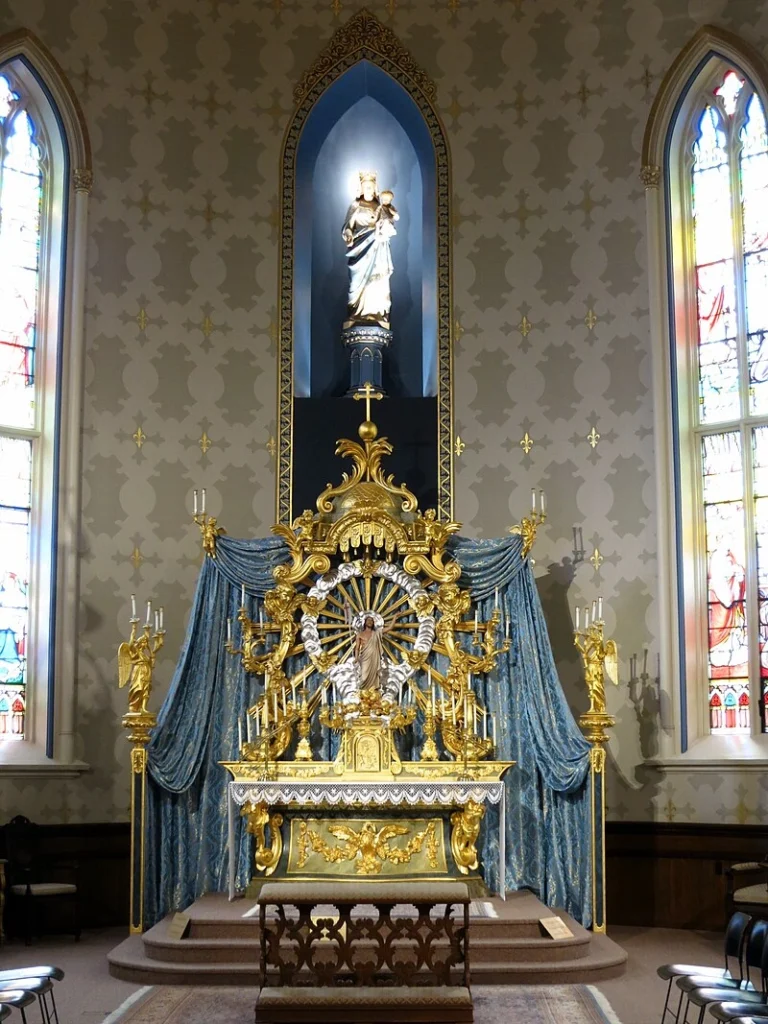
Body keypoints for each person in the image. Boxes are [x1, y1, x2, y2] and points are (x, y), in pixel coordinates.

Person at [341, 171, 399, 328]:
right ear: (361, 189)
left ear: (375, 189)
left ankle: (378, 313)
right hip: (360, 249)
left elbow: (390, 220)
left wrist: (385, 227)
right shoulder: (355, 206)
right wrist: (348, 234)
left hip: (378, 248)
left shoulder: (380, 207)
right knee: (355, 284)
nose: (368, 190)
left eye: (371, 187)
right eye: (366, 187)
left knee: (379, 281)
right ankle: (356, 313)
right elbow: (348, 226)